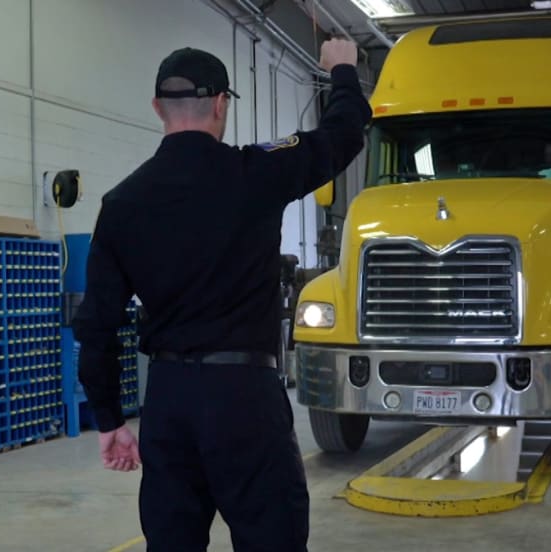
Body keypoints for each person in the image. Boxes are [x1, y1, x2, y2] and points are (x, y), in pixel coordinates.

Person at [72, 38, 371, 552]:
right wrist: (342, 71)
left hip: (167, 401)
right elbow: (343, 135)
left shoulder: (121, 202)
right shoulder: (259, 171)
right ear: (219, 104)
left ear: (157, 108)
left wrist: (109, 420)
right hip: (245, 397)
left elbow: (96, 324)